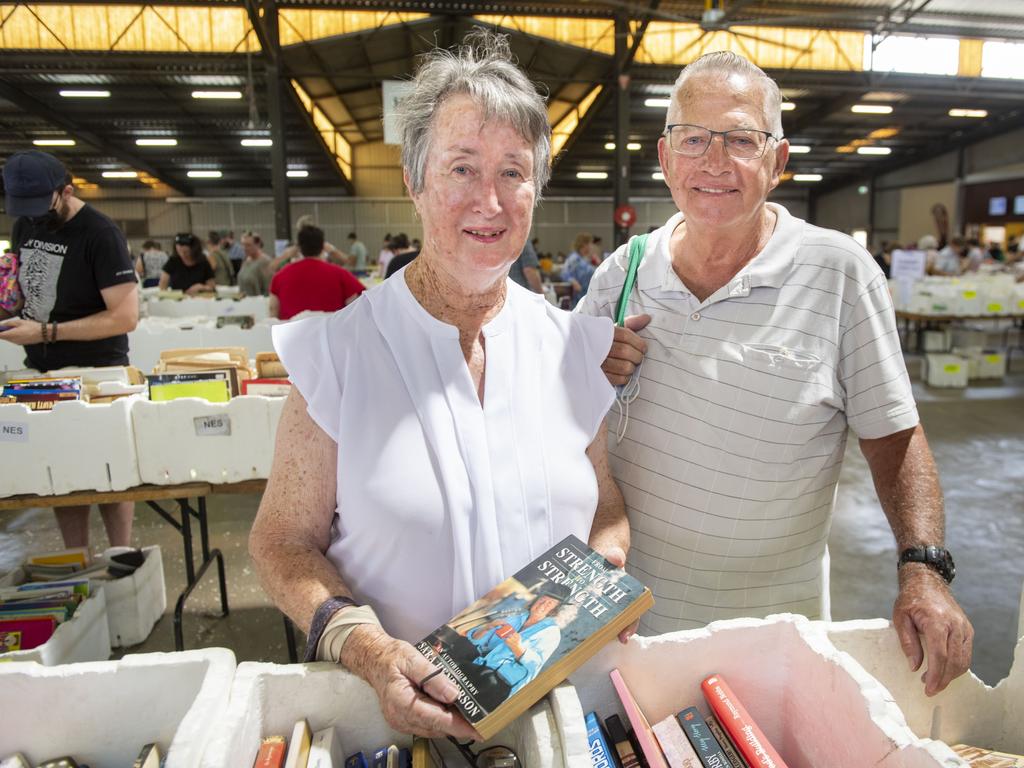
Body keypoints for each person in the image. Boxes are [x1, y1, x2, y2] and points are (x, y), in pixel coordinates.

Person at [249, 31, 630, 740]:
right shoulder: (338, 353)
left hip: (564, 721)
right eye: (461, 168)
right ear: (414, 181)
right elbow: (280, 541)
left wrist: (604, 580)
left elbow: (605, 503)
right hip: (401, 723)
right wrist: (366, 650)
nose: (489, 199)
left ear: (536, 190)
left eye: (513, 172)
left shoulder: (573, 347)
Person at [580, 51, 972, 696]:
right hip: (628, 617)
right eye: (694, 139)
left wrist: (923, 569)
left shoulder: (841, 272)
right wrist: (587, 380)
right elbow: (570, 424)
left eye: (741, 139)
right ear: (665, 155)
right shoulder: (621, 274)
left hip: (769, 628)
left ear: (778, 161)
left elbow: (893, 437)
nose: (714, 162)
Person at [0, 150, 139, 549]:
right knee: (59, 470)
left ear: (66, 191)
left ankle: (121, 554)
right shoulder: (25, 224)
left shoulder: (100, 234)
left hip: (98, 373)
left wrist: (45, 332)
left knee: (109, 470)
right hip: (43, 370)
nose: (33, 216)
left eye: (41, 205)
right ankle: (75, 560)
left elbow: (124, 317)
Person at [269, 225, 365, 320]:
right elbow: (359, 305)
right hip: (331, 333)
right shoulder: (341, 274)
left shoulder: (280, 277)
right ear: (323, 246)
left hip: (293, 333)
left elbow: (273, 310)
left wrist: (286, 254)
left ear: (299, 247)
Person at [561, 232, 597, 308]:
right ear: (584, 245)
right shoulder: (575, 258)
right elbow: (564, 273)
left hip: (585, 298)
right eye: (590, 244)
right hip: (578, 299)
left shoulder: (583, 259)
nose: (591, 247)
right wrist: (573, 282)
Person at [236, 231, 272, 297]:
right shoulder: (246, 260)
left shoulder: (265, 262)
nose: (244, 248)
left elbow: (269, 289)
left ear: (257, 245)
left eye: (248, 245)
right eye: (243, 244)